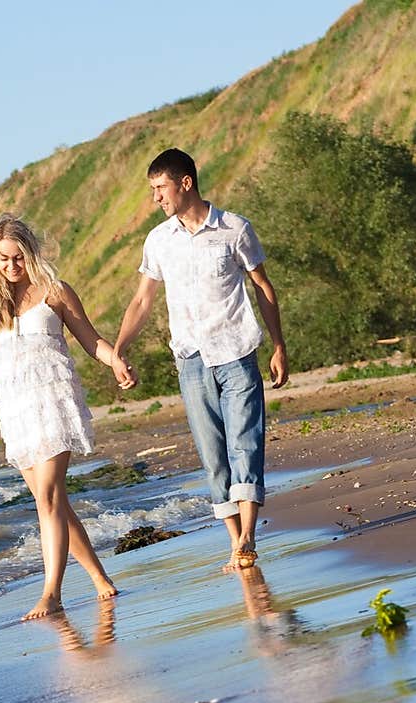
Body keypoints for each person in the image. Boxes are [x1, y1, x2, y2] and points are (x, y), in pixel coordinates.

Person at [114, 149, 289, 573]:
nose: (156, 197)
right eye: (153, 189)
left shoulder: (234, 229)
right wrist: (119, 349)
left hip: (235, 352)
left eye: (161, 188)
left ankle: (248, 537)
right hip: (190, 359)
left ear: (185, 183)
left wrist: (279, 345)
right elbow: (142, 300)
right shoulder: (158, 241)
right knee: (213, 455)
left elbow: (262, 286)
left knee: (245, 443)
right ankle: (235, 543)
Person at [0, 213, 132, 620]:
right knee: (54, 503)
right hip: (17, 411)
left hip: (54, 401)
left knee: (48, 498)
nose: (11, 267)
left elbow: (90, 339)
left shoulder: (54, 292)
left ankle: (51, 594)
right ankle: (99, 579)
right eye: (3, 259)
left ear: (30, 253)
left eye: (18, 257)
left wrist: (116, 362)